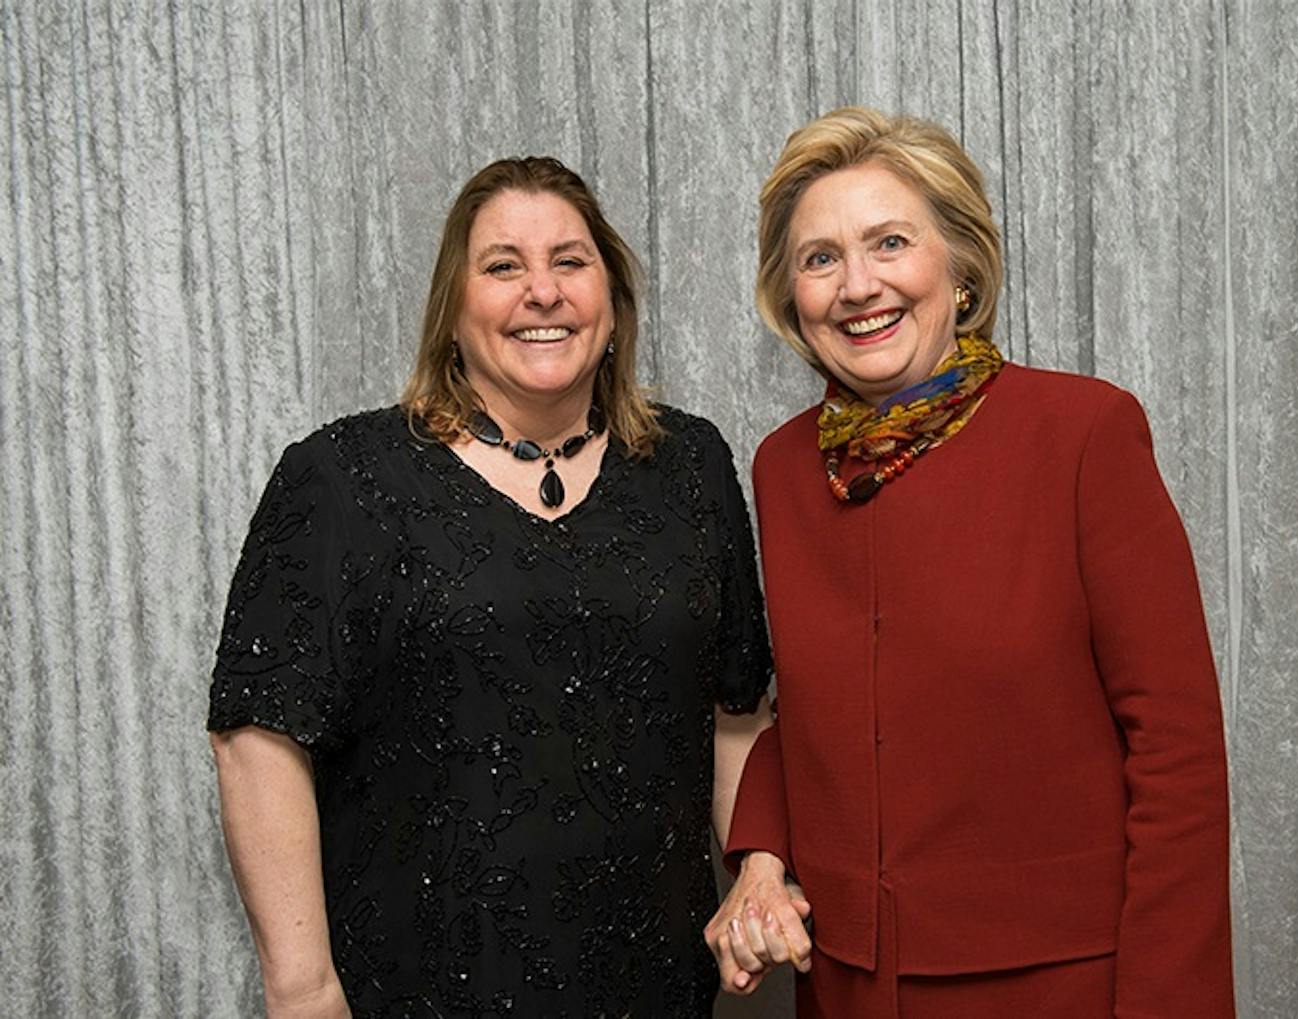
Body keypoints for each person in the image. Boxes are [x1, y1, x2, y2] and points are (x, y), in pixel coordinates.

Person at [208, 156, 774, 1018]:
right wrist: (302, 986)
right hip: (418, 984)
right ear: (452, 311)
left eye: (571, 262)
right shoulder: (344, 477)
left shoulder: (691, 466)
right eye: (503, 265)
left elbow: (736, 711)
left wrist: (755, 876)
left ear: (613, 302)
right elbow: (258, 735)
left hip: (653, 983)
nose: (541, 291)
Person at [705, 107, 1235, 1017]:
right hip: (848, 983)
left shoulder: (1082, 434)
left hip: (1058, 979)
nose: (856, 284)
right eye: (820, 257)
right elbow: (818, 713)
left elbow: (1178, 753)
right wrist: (760, 855)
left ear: (959, 268)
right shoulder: (783, 467)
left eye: (890, 242)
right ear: (790, 296)